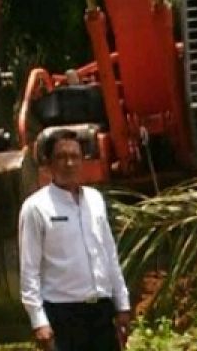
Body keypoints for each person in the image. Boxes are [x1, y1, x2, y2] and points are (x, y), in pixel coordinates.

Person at [19, 128, 133, 351]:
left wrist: (122, 305)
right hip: (63, 315)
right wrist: (38, 321)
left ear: (83, 161)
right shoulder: (36, 208)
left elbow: (109, 254)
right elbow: (29, 269)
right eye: (61, 157)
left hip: (101, 312)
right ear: (49, 163)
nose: (69, 163)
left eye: (74, 156)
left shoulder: (95, 200)